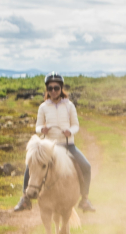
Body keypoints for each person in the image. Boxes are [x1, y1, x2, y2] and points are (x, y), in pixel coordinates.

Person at [13, 74, 95, 212]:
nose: (53, 91)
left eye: (56, 88)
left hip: (68, 145)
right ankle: (25, 198)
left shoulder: (69, 106)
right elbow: (37, 126)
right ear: (47, 89)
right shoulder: (43, 107)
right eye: (50, 88)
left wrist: (70, 131)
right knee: (30, 164)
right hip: (48, 147)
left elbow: (76, 125)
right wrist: (42, 129)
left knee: (86, 166)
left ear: (61, 88)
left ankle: (85, 199)